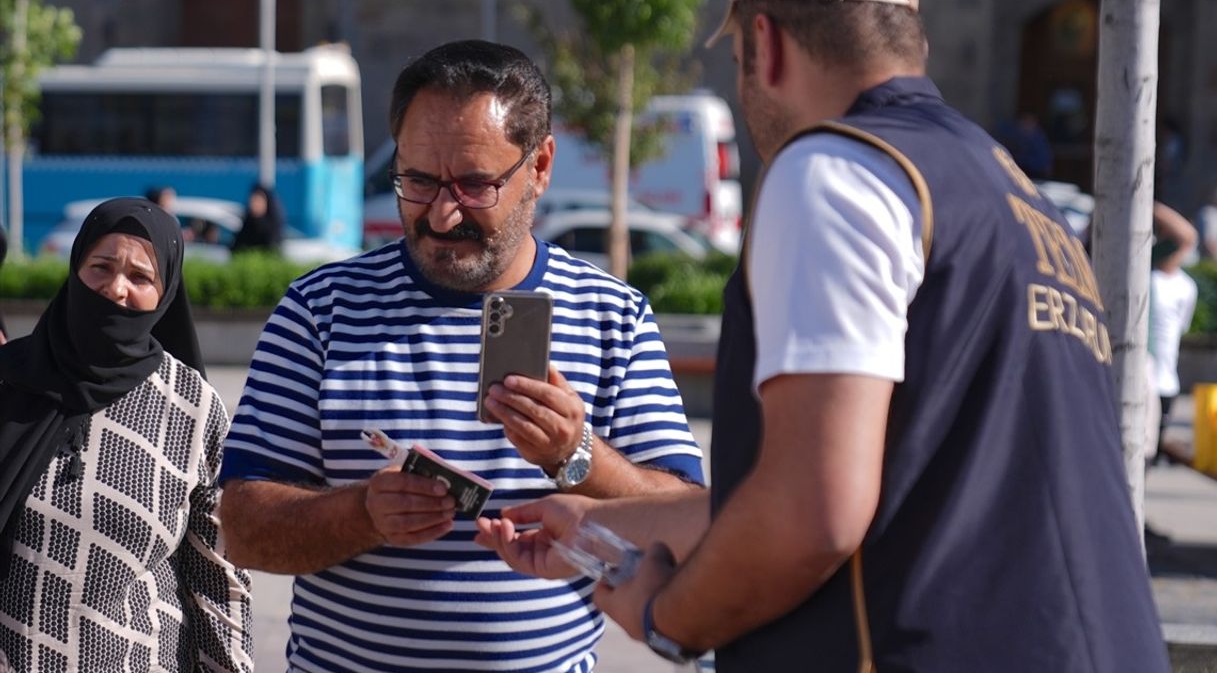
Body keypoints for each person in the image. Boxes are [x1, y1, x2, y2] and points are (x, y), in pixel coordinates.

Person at [477, 0, 1170, 671]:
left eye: (739, 62)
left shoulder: (835, 171)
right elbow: (868, 487)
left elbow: (814, 512)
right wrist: (598, 524)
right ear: (912, 42)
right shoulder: (1012, 193)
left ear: (766, 46)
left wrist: (667, 617)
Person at [216, 40, 704, 672]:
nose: (443, 214)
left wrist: (575, 456)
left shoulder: (612, 317)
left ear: (541, 165)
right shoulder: (320, 311)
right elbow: (243, 527)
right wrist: (362, 513)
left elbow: (685, 524)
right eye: (417, 181)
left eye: (475, 185)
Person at [0, 198, 251, 672]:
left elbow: (219, 579)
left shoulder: (192, 409)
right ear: (75, 270)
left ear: (166, 293)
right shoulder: (10, 382)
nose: (116, 288)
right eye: (101, 267)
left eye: (140, 278)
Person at [1148, 202, 1198, 464]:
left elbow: (1187, 238)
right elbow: (1186, 235)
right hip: (1141, 378)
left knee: (1150, 456)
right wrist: (1147, 204)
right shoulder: (1142, 274)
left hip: (1167, 381)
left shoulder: (1186, 286)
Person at [995, 111, 1053, 179]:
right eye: (1025, 121)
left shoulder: (1038, 138)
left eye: (1031, 122)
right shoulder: (1011, 132)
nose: (1027, 124)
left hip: (1034, 173)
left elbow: (1043, 161)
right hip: (1014, 171)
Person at [230, 183, 284, 253]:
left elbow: (271, 244)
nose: (255, 204)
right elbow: (237, 247)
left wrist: (259, 220)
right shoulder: (247, 222)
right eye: (253, 200)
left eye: (259, 201)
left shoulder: (273, 224)